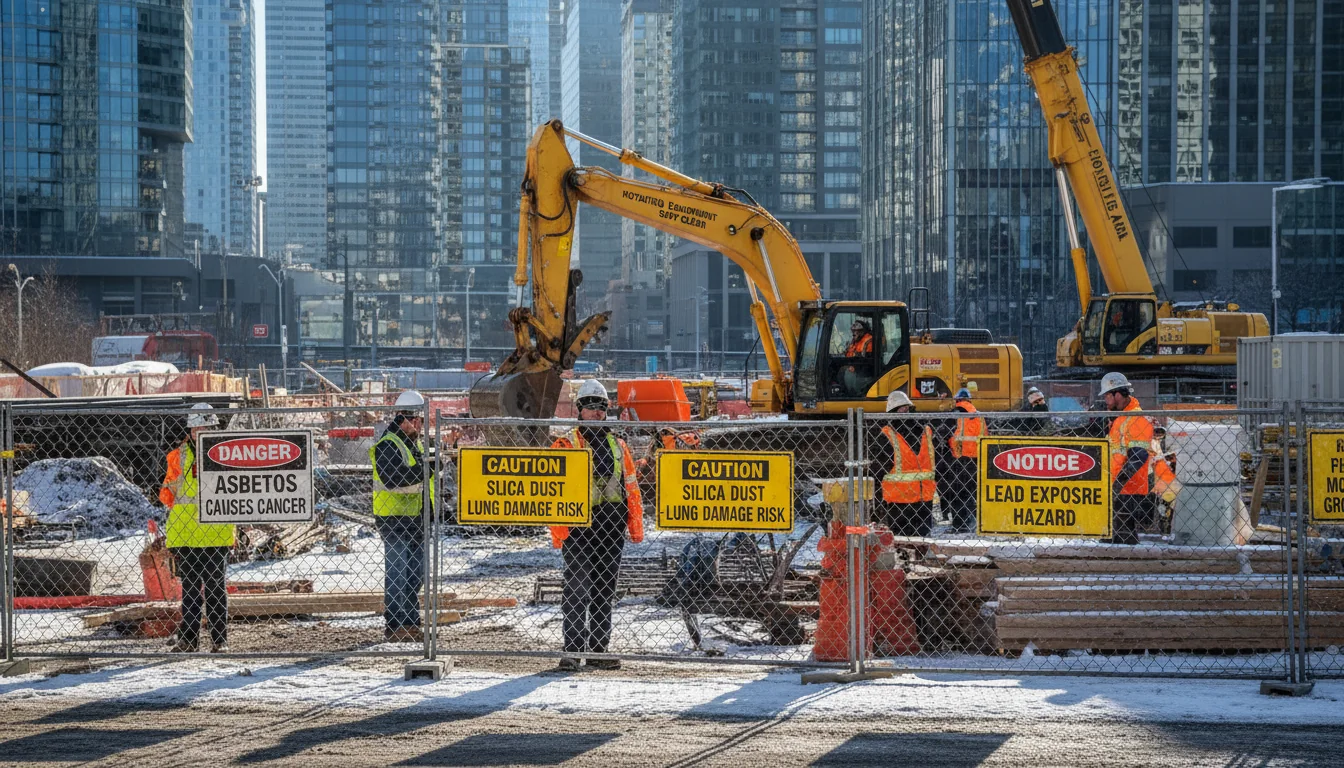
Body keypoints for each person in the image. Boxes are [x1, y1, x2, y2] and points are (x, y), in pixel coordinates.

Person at [550, 379, 644, 671]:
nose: (595, 412)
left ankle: (598, 650)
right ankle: (573, 650)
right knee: (577, 589)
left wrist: (635, 527)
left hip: (611, 527)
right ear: (579, 410)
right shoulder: (567, 443)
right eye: (590, 407)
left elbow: (632, 488)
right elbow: (554, 489)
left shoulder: (618, 445)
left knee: (604, 589)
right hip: (579, 528)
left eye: (600, 407)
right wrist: (559, 531)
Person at [159, 403, 235, 653]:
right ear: (190, 430)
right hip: (187, 534)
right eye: (196, 428)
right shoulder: (177, 457)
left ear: (213, 427)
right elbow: (167, 495)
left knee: (215, 589)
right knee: (191, 590)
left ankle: (218, 640)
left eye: (205, 427)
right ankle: (189, 639)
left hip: (215, 533)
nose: (200, 432)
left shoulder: (230, 454)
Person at [370, 390, 435, 642]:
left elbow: (419, 478)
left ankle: (410, 624)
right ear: (404, 419)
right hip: (394, 520)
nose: (420, 426)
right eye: (417, 420)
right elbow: (393, 480)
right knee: (398, 574)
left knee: (414, 576)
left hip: (415, 520)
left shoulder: (411, 443)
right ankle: (396, 626)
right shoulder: (389, 445)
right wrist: (426, 470)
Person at [870, 390, 935, 536]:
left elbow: (878, 470)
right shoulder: (926, 430)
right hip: (924, 498)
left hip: (899, 501)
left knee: (901, 543)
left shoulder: (887, 434)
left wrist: (877, 500)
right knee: (923, 541)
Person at [1100, 372, 1153, 545]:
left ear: (1118, 394)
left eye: (1108, 395)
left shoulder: (1136, 418)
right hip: (1120, 486)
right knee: (1117, 537)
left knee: (1121, 536)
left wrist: (1118, 482)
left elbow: (1139, 455)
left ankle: (1129, 567)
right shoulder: (1121, 418)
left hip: (1127, 488)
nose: (1106, 400)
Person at [937, 387, 984, 534]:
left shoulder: (955, 414)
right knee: (970, 493)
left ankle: (959, 526)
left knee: (958, 495)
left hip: (959, 460)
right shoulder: (979, 416)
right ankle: (971, 523)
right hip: (976, 460)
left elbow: (944, 434)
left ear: (957, 400)